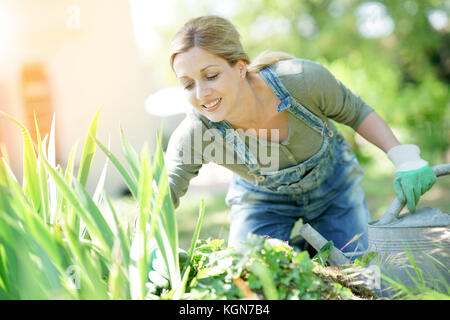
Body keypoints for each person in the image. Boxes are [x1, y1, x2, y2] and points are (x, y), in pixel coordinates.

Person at [164, 15, 436, 259]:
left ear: (240, 67)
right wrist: (148, 245)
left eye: (211, 76)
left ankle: (310, 249)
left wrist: (403, 157)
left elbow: (356, 112)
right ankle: (302, 251)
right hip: (262, 201)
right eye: (188, 84)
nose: (201, 94)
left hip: (334, 187)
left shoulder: (301, 81)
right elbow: (164, 193)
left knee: (360, 273)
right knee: (248, 276)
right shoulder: (197, 133)